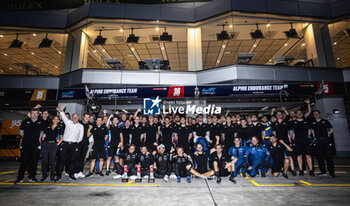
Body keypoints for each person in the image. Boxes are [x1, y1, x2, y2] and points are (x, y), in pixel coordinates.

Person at [15, 108, 45, 184]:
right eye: (33, 113)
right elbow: (21, 132)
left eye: (36, 113)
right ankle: (20, 178)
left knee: (34, 162)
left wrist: (39, 142)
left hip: (36, 146)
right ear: (30, 114)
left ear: (38, 114)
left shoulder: (41, 122)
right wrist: (27, 139)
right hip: (25, 145)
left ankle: (32, 177)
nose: (34, 115)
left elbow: (42, 133)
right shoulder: (25, 121)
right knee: (23, 162)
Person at [55, 105, 84, 182]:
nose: (75, 118)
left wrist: (75, 143)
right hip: (65, 144)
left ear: (78, 118)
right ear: (71, 118)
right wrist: (61, 110)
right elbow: (63, 116)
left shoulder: (80, 126)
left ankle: (71, 175)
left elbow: (80, 137)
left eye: (76, 117)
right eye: (74, 117)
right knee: (61, 160)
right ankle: (58, 176)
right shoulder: (68, 122)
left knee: (72, 160)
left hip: (74, 145)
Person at [289, 110, 315, 176]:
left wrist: (309, 139)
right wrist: (291, 141)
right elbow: (291, 133)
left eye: (300, 113)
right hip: (297, 142)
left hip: (306, 141)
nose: (299, 114)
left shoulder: (307, 121)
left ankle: (311, 170)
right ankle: (301, 170)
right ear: (296, 114)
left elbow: (310, 131)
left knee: (308, 155)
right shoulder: (293, 122)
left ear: (302, 114)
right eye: (298, 113)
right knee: (299, 156)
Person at [310, 110, 335, 178]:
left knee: (329, 157)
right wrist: (313, 138)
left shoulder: (325, 121)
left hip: (326, 141)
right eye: (314, 114)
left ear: (319, 114)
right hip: (318, 142)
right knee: (319, 157)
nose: (316, 115)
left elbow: (331, 129)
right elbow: (311, 131)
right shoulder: (313, 122)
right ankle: (323, 172)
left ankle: (331, 172)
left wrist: (327, 135)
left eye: (317, 114)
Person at [272, 110, 296, 176]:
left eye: (280, 114)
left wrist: (289, 140)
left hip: (286, 141)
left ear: (282, 115)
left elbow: (291, 132)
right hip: (278, 142)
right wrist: (276, 141)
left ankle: (293, 170)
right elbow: (274, 133)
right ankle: (283, 169)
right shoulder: (274, 123)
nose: (279, 115)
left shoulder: (287, 122)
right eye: (278, 114)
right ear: (276, 116)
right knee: (280, 156)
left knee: (289, 156)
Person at [40, 116, 63, 182]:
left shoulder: (59, 128)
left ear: (59, 120)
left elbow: (61, 139)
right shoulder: (47, 126)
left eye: (57, 119)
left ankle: (52, 175)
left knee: (52, 161)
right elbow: (43, 136)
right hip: (45, 144)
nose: (55, 120)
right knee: (44, 161)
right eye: (54, 119)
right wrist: (43, 142)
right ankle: (44, 175)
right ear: (52, 120)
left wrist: (56, 145)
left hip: (53, 145)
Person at [76, 113, 92, 178]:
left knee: (83, 158)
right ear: (83, 117)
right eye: (85, 117)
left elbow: (88, 135)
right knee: (76, 157)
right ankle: (75, 171)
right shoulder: (78, 123)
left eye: (88, 117)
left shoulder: (90, 125)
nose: (87, 118)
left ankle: (80, 171)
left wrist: (89, 129)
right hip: (77, 143)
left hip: (85, 143)